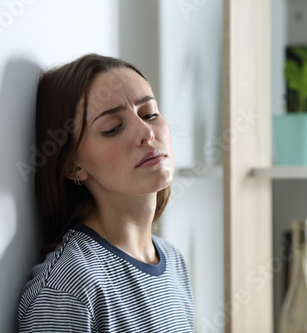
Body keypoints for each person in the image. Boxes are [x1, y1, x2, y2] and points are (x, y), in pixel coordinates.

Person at [18, 54, 194, 332]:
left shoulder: (173, 260)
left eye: (149, 114)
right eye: (112, 128)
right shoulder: (68, 289)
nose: (146, 132)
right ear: (73, 165)